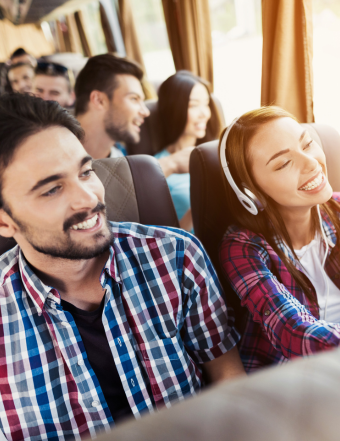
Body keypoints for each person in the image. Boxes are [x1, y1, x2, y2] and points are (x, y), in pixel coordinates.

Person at [0, 93, 244, 440]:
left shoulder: (175, 256)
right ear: (4, 222)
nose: (89, 198)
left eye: (86, 172)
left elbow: (227, 378)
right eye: (53, 189)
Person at [219, 106, 340, 373]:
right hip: (291, 385)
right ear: (250, 193)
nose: (312, 163)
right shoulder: (243, 247)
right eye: (284, 163)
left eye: (307, 144)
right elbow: (293, 331)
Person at [75, 54, 194, 178]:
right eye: (134, 99)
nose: (145, 112)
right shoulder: (58, 157)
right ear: (99, 100)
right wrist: (169, 164)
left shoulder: (120, 155)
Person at [154, 71, 221, 231]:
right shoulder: (158, 167)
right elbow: (167, 242)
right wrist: (198, 207)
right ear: (173, 108)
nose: (204, 113)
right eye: (193, 105)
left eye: (206, 104)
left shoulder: (217, 153)